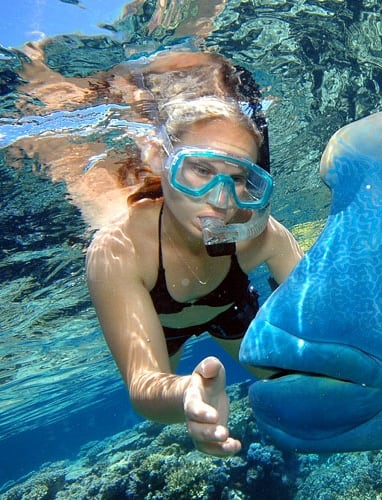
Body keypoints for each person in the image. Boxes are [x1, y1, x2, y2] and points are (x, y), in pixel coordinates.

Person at [85, 50, 303, 456]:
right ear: (158, 156)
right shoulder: (121, 249)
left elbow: (324, 310)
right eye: (200, 171)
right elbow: (144, 386)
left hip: (228, 306)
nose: (219, 202)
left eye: (239, 178)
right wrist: (188, 394)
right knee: (165, 406)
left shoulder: (259, 236)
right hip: (164, 328)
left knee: (286, 377)